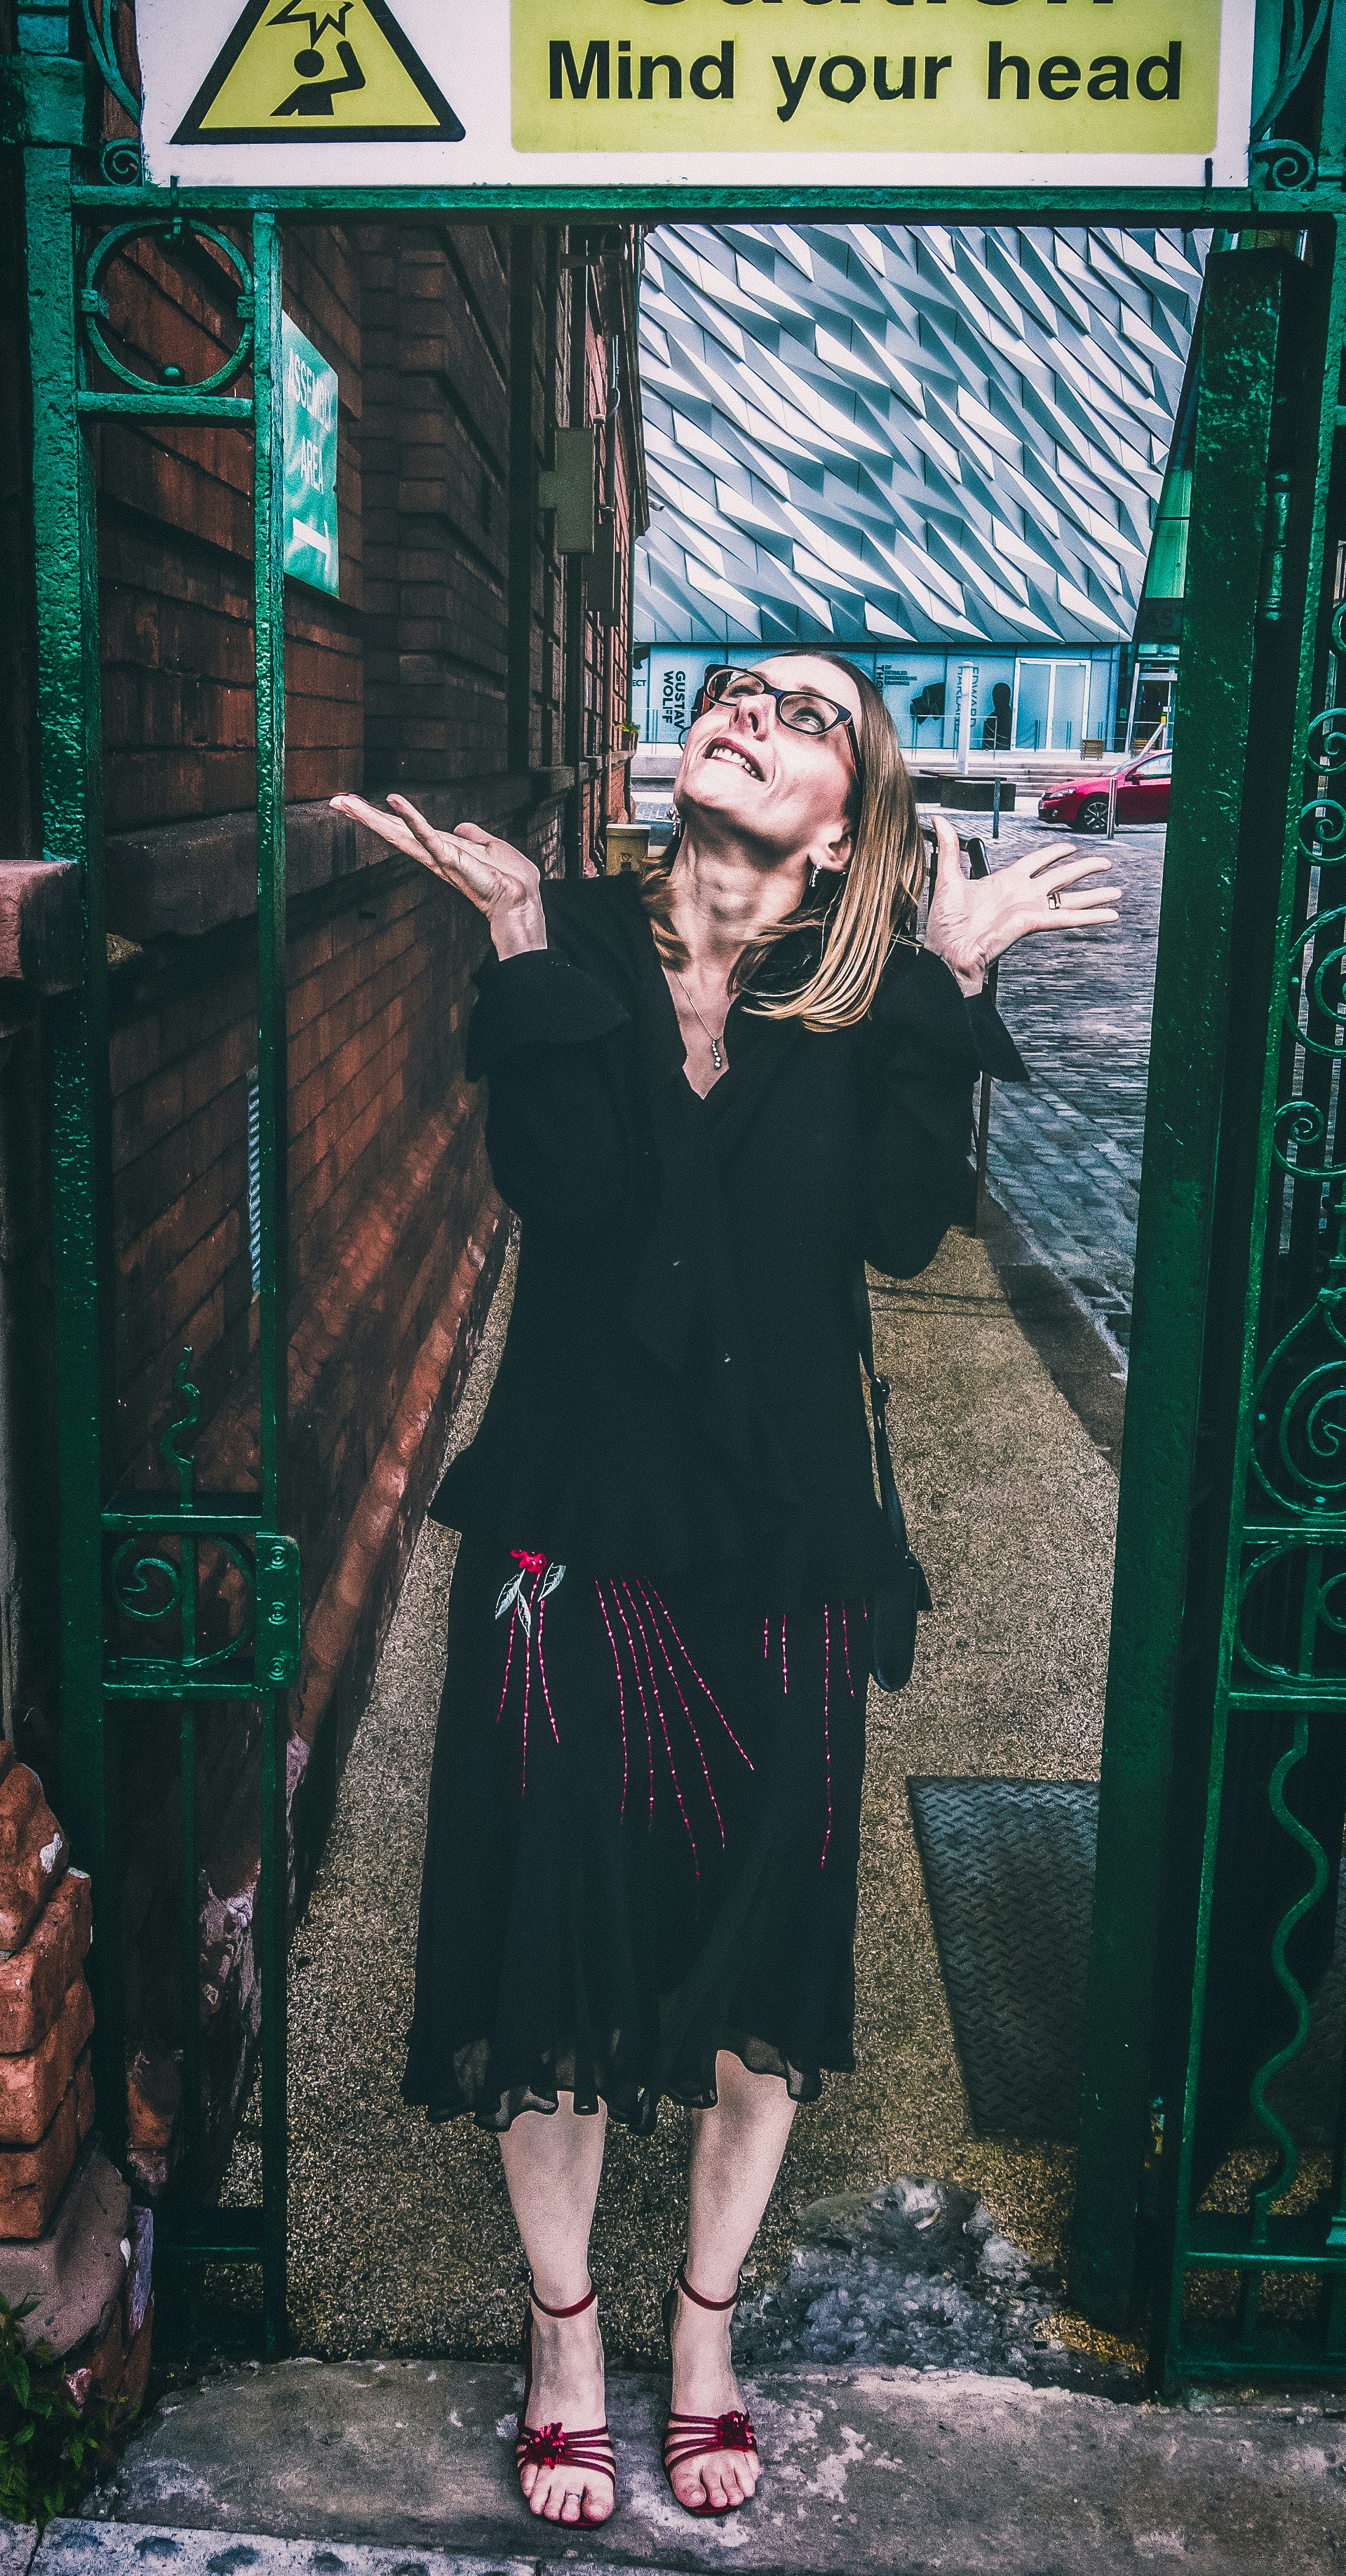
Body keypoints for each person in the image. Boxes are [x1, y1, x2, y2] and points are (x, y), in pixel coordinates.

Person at [330, 655, 1116, 2531]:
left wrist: (956, 976)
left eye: (810, 714)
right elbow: (575, 1193)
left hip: (782, 1555)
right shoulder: (574, 944)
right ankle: (565, 2339)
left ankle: (702, 2332)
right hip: (570, 1540)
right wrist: (519, 932)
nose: (749, 711)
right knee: (556, 1949)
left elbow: (902, 1230)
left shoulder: (857, 1000)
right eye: (736, 689)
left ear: (849, 818)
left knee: (760, 1964)